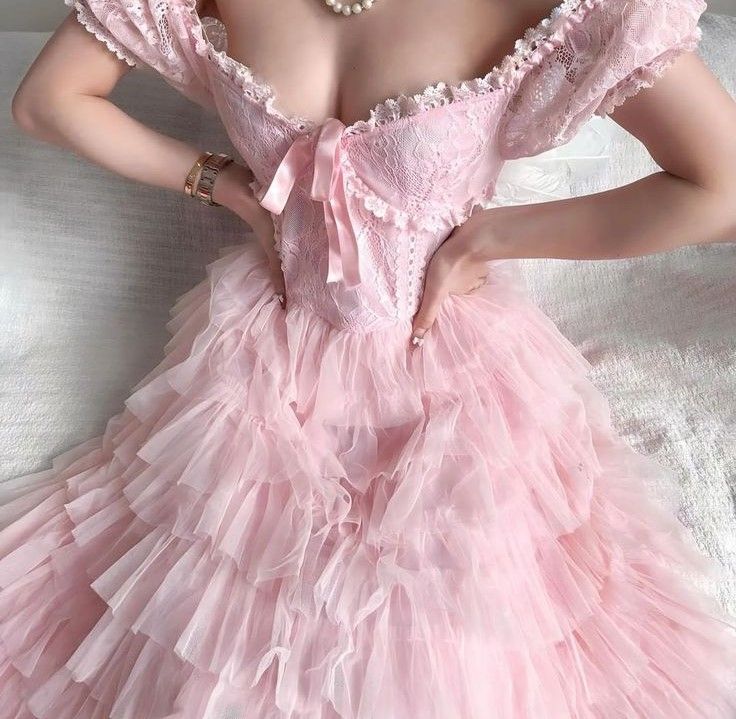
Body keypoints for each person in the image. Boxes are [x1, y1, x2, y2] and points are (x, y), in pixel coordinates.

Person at [4, 0, 736, 716]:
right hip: (269, 356)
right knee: (223, 608)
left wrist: (492, 237)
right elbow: (47, 103)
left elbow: (722, 188)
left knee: (442, 618)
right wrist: (219, 182)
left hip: (441, 364)